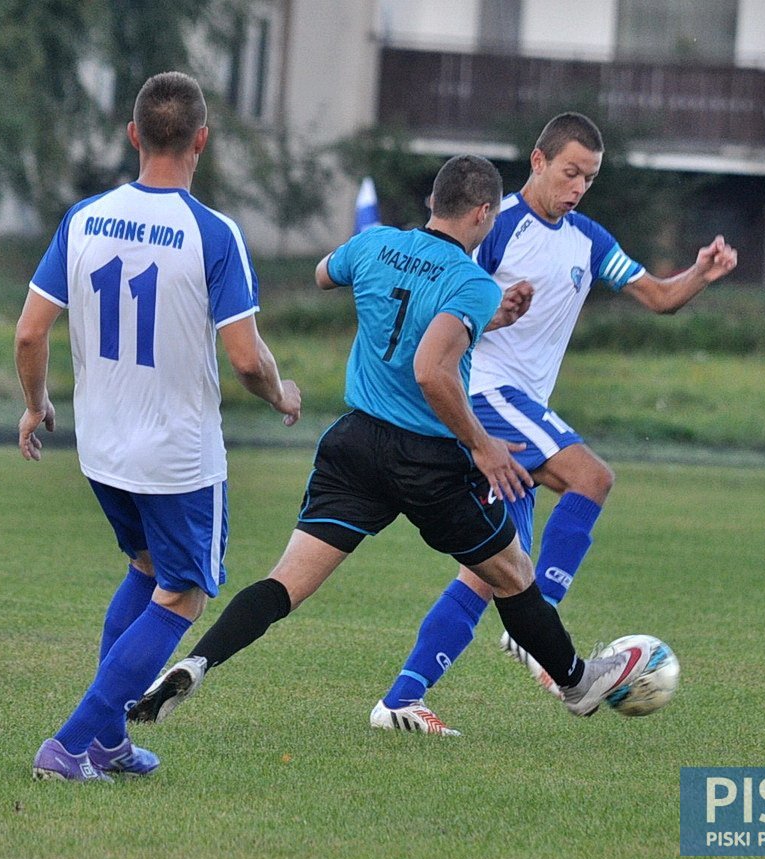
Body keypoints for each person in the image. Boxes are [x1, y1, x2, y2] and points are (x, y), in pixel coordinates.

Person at [126, 154, 652, 734]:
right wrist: (481, 444)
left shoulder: (375, 244)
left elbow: (326, 274)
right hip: (427, 460)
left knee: (285, 583)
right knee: (511, 573)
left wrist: (480, 316)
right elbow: (431, 368)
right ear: (483, 214)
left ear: (433, 202)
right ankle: (578, 684)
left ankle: (199, 661)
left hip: (354, 446)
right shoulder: (471, 282)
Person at [369, 112, 739, 732]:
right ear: (538, 162)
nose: (578, 187)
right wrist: (491, 315)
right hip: (486, 393)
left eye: (589, 178)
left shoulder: (588, 239)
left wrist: (700, 273)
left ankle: (401, 699)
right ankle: (542, 619)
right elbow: (433, 298)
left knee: (492, 573)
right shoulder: (498, 227)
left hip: (516, 411)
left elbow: (658, 297)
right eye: (570, 172)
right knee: (591, 478)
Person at [16, 71, 302, 781]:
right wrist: (279, 392)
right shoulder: (213, 233)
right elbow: (244, 357)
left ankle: (109, 744)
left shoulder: (83, 218)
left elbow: (29, 333)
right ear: (202, 139)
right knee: (183, 593)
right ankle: (71, 743)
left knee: (146, 571)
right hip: (177, 456)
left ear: (133, 135)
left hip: (102, 445)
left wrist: (36, 402)